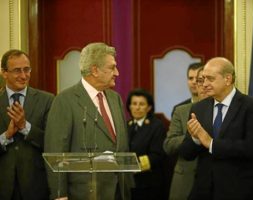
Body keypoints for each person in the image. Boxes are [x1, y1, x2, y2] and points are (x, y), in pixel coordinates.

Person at [44, 42, 134, 200]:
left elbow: (121, 145)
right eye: (112, 68)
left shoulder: (115, 98)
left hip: (119, 190)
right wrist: (60, 195)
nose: (117, 73)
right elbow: (56, 151)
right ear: (94, 70)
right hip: (84, 192)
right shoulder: (65, 101)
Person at [179, 57, 253, 200]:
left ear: (228, 79)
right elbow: (186, 154)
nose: (204, 84)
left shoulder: (251, 106)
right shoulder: (199, 108)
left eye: (210, 79)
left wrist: (211, 143)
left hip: (238, 190)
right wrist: (195, 138)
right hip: (204, 190)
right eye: (204, 79)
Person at [0, 49, 54, 200]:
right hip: (3, 187)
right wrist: (6, 136)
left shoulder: (47, 100)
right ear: (4, 73)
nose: (23, 76)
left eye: (26, 69)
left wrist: (25, 127)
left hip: (36, 186)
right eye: (17, 70)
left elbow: (51, 142)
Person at [163, 66, 207, 200]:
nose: (203, 85)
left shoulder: (227, 111)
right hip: (186, 180)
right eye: (200, 81)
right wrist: (192, 136)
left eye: (208, 80)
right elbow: (168, 145)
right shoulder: (181, 111)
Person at [126, 88, 166, 200]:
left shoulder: (157, 126)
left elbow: (157, 155)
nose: (137, 107)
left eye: (142, 104)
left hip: (148, 183)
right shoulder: (126, 125)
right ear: (129, 106)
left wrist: (133, 166)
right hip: (128, 182)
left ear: (149, 107)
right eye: (134, 103)